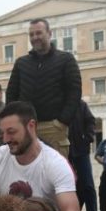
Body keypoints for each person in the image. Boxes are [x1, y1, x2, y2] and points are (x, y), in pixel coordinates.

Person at [6, 18, 82, 158]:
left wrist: (62, 122)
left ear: (49, 33)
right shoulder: (21, 63)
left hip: (53, 128)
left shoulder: (66, 59)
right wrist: (15, 121)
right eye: (31, 34)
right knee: (26, 173)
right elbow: (11, 93)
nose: (35, 37)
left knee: (56, 175)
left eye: (39, 33)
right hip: (26, 128)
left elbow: (74, 92)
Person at [69, 100, 102, 211]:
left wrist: (87, 138)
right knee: (69, 187)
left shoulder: (81, 105)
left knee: (88, 185)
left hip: (81, 150)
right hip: (65, 151)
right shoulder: (58, 103)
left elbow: (91, 121)